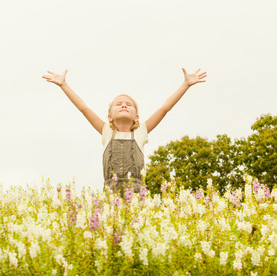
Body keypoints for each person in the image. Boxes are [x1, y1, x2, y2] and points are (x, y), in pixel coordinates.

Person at [42, 68, 207, 195]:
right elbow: (83, 108)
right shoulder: (107, 132)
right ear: (110, 116)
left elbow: (165, 108)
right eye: (118, 103)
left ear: (136, 116)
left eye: (128, 104)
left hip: (136, 195)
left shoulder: (141, 131)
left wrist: (185, 85)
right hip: (110, 194)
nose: (123, 105)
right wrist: (64, 85)